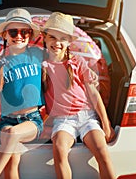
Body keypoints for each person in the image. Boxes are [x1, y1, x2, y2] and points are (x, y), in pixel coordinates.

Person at [41, 12, 116, 179]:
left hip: (87, 117)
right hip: (63, 120)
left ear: (69, 42)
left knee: (102, 151)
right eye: (52, 37)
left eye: (62, 38)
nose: (57, 43)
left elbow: (94, 94)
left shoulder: (77, 62)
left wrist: (106, 124)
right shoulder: (41, 66)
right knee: (59, 149)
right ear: (44, 38)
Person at [0, 8, 45, 179]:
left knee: (12, 135)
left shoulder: (37, 55)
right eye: (13, 31)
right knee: (12, 159)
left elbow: (59, 54)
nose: (19, 36)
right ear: (5, 35)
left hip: (32, 120)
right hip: (7, 121)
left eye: (25, 32)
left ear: (30, 35)